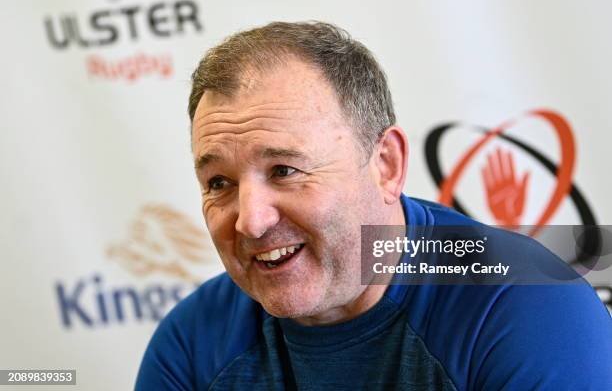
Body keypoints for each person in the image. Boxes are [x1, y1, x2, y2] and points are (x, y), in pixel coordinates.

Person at [135, 21, 612, 390]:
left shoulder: (524, 305)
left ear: (385, 164)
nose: (251, 220)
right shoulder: (192, 342)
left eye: (284, 170)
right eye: (219, 182)